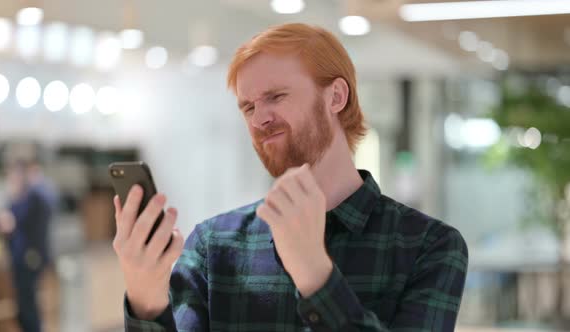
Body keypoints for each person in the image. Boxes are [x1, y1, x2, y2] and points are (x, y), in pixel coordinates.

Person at [114, 23, 468, 331]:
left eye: (275, 96)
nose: (258, 119)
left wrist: (315, 275)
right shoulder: (212, 246)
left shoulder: (429, 246)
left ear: (336, 97)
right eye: (248, 107)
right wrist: (146, 299)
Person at [0, 158, 55, 332]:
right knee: (23, 305)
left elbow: (14, 223)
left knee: (28, 305)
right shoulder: (20, 198)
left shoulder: (36, 196)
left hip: (30, 258)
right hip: (20, 258)